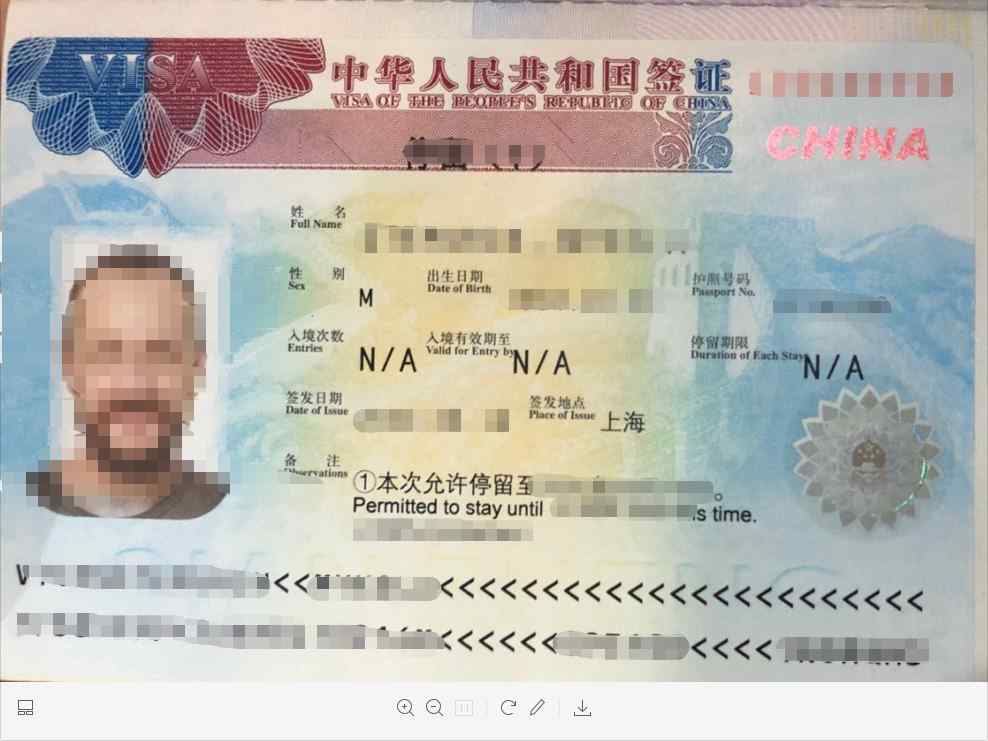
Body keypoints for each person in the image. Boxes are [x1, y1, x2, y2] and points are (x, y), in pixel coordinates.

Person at [26, 244, 228, 519]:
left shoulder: (240, 517)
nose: (133, 383)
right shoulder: (14, 509)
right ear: (70, 369)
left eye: (161, 354)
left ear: (196, 370)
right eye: (106, 354)